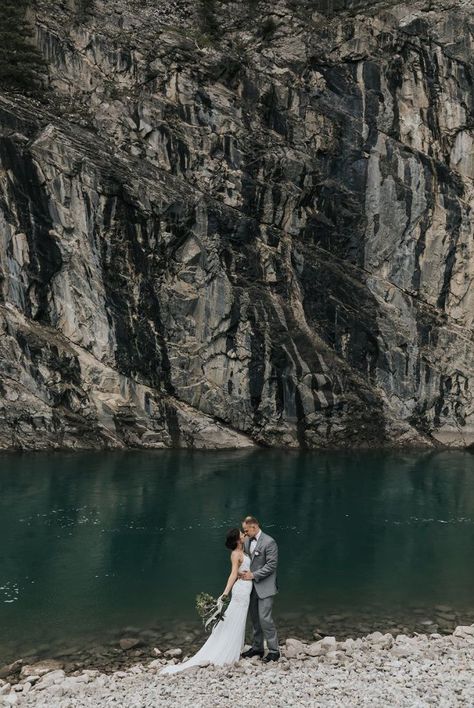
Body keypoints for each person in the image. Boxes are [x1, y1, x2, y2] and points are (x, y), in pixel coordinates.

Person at [160, 527, 252, 674]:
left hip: (247, 587)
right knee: (236, 617)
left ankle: (237, 646)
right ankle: (229, 650)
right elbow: (233, 574)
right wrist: (225, 594)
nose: (244, 534)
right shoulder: (235, 554)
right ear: (237, 540)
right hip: (241, 589)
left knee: (239, 618)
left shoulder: (244, 550)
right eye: (241, 534)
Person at [240, 515, 280, 662]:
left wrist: (253, 575)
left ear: (254, 527)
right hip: (249, 587)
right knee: (255, 619)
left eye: (246, 530)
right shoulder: (246, 540)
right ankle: (257, 647)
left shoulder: (269, 542)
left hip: (265, 586)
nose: (244, 533)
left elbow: (271, 565)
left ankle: (274, 650)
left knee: (265, 618)